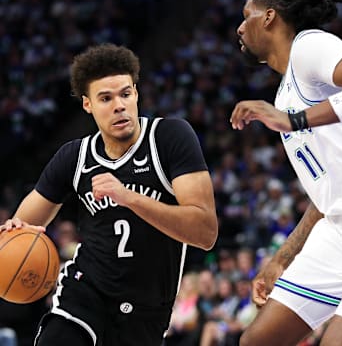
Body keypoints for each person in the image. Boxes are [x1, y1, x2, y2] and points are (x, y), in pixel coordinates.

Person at [0, 43, 218, 346]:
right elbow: (23, 225)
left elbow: (205, 232)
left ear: (136, 94)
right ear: (87, 104)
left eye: (125, 94)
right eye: (105, 98)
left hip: (147, 308)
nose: (119, 105)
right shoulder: (74, 157)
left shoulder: (169, 138)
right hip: (85, 291)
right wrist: (13, 232)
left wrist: (128, 196)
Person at [229, 0, 342, 345]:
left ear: (269, 16)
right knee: (256, 341)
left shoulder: (309, 46)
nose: (240, 28)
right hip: (338, 226)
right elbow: (326, 195)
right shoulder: (286, 92)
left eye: (247, 15)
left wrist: (295, 120)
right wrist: (283, 258)